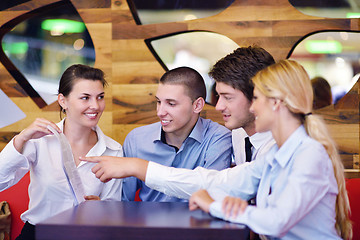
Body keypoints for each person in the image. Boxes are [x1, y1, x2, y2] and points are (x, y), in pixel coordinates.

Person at [81, 46, 276, 200]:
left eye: (228, 97)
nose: (218, 107)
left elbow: (214, 186)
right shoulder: (239, 134)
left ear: (258, 96)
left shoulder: (278, 147)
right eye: (158, 102)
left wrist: (139, 167)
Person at [189, 60, 352, 239]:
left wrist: (215, 206)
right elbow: (234, 185)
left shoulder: (310, 154)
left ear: (275, 102)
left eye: (256, 98)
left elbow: (277, 221)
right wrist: (218, 199)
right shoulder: (275, 154)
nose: (252, 107)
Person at [0, 64, 123, 240]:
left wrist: (102, 209)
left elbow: (114, 210)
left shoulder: (114, 150)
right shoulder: (40, 140)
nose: (95, 106)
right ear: (62, 100)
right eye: (85, 98)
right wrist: (21, 139)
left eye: (100, 97)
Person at [121, 66, 232, 202]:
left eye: (171, 104)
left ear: (197, 105)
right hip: (148, 222)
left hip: (199, 221)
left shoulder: (218, 138)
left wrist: (141, 168)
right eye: (158, 102)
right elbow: (123, 202)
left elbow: (213, 193)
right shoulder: (136, 139)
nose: (160, 112)